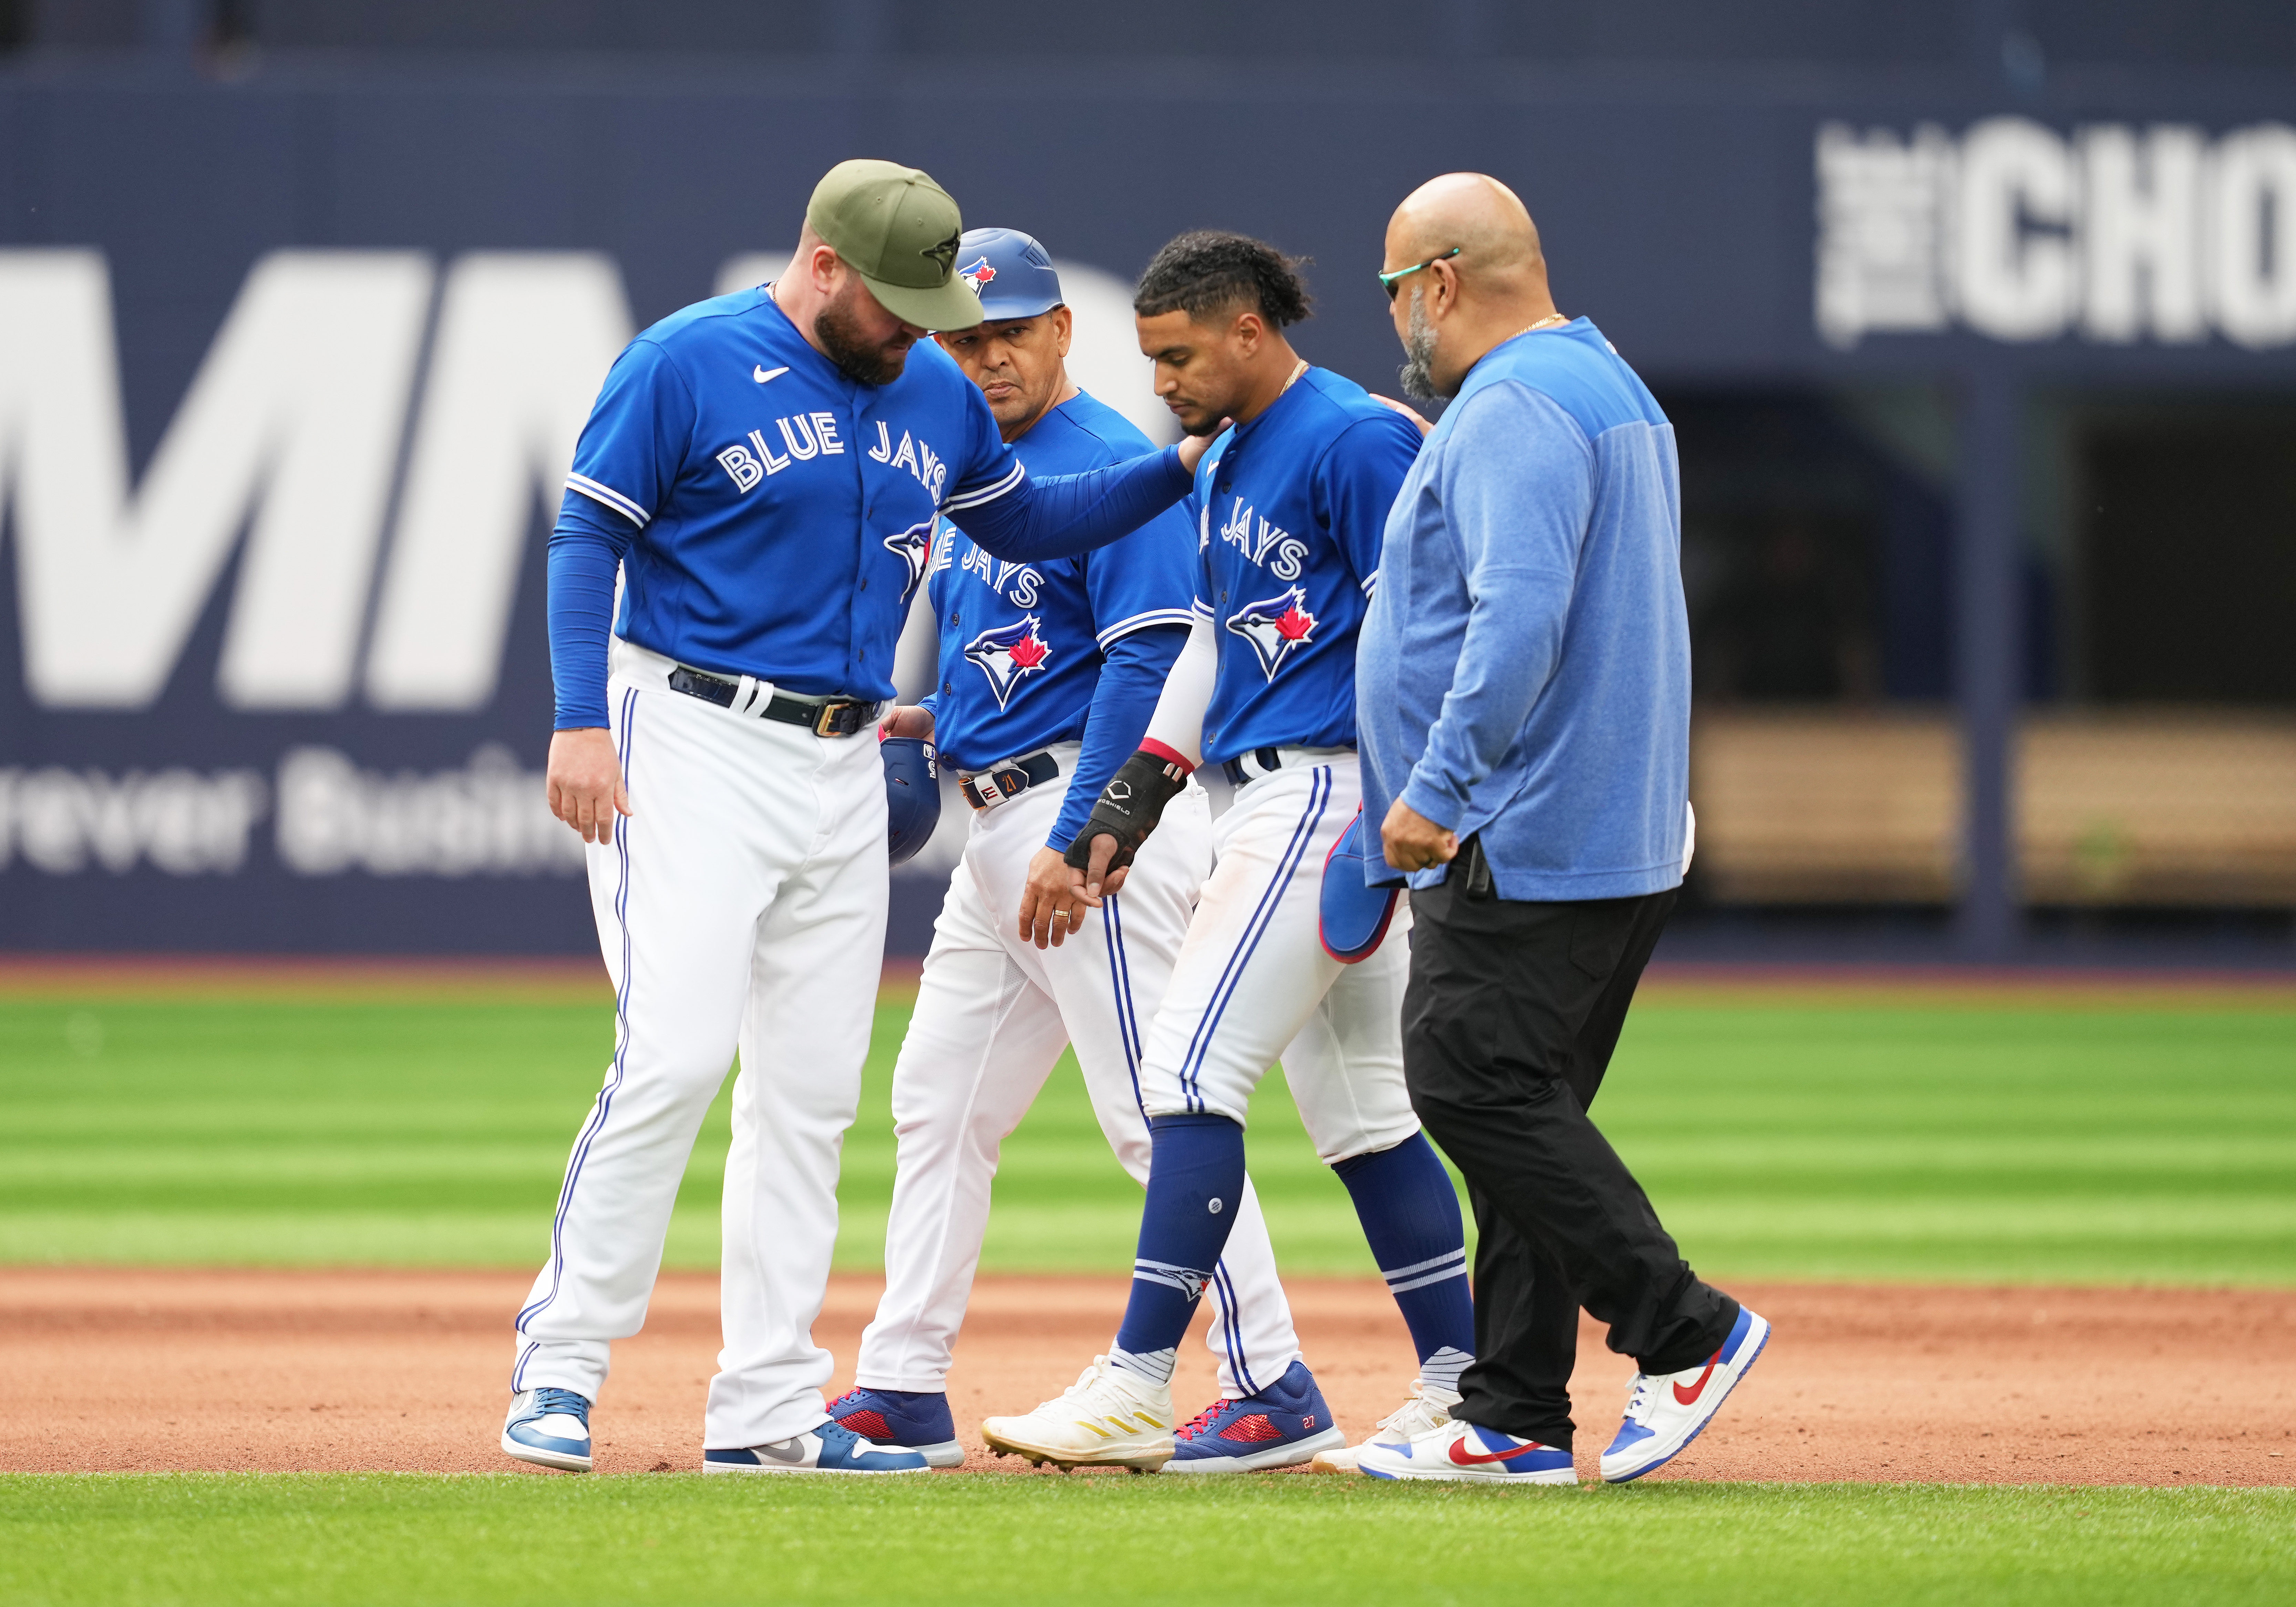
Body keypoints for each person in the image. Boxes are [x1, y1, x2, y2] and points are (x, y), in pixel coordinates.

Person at [503, 161, 1213, 1477]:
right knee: (671, 1056)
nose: (916, 330)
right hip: (690, 731)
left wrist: (1176, 468)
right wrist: (576, 715)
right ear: (822, 264)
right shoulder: (685, 361)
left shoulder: (930, 389)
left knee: (811, 1094)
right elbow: (585, 536)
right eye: (895, 301)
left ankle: (767, 1407)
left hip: (844, 756)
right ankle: (561, 1364)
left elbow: (1039, 516)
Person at [980, 232, 1476, 1474]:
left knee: (1188, 1071)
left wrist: (1406, 798)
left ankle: (1140, 1382)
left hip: (1328, 789)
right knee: (1362, 1112)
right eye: (1151, 359)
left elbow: (1428, 621)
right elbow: (1211, 641)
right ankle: (1460, 1383)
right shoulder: (1229, 457)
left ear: (1248, 329)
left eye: (1180, 354)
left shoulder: (1357, 436)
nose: (1163, 381)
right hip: (1265, 786)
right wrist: (1128, 803)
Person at [822, 227, 1315, 1472]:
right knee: (938, 1103)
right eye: (963, 338)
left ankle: (1272, 1376)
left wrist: (1086, 827)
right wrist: (939, 722)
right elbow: (1043, 651)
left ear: (1059, 332)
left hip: (1090, 838)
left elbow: (1148, 656)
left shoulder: (1107, 463)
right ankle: (901, 1383)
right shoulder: (969, 468)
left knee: (1162, 1109)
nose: (986, 357)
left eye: (1009, 333)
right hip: (999, 831)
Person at [1347, 173, 1765, 1486]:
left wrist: (1437, 788)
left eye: (1394, 287)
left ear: (1442, 281)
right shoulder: (1608, 384)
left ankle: (1682, 1328)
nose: (1396, 318)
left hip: (1525, 827)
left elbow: (1514, 621)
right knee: (1527, 1109)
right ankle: (1514, 1411)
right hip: (1610, 823)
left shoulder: (1515, 404)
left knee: (1465, 1083)